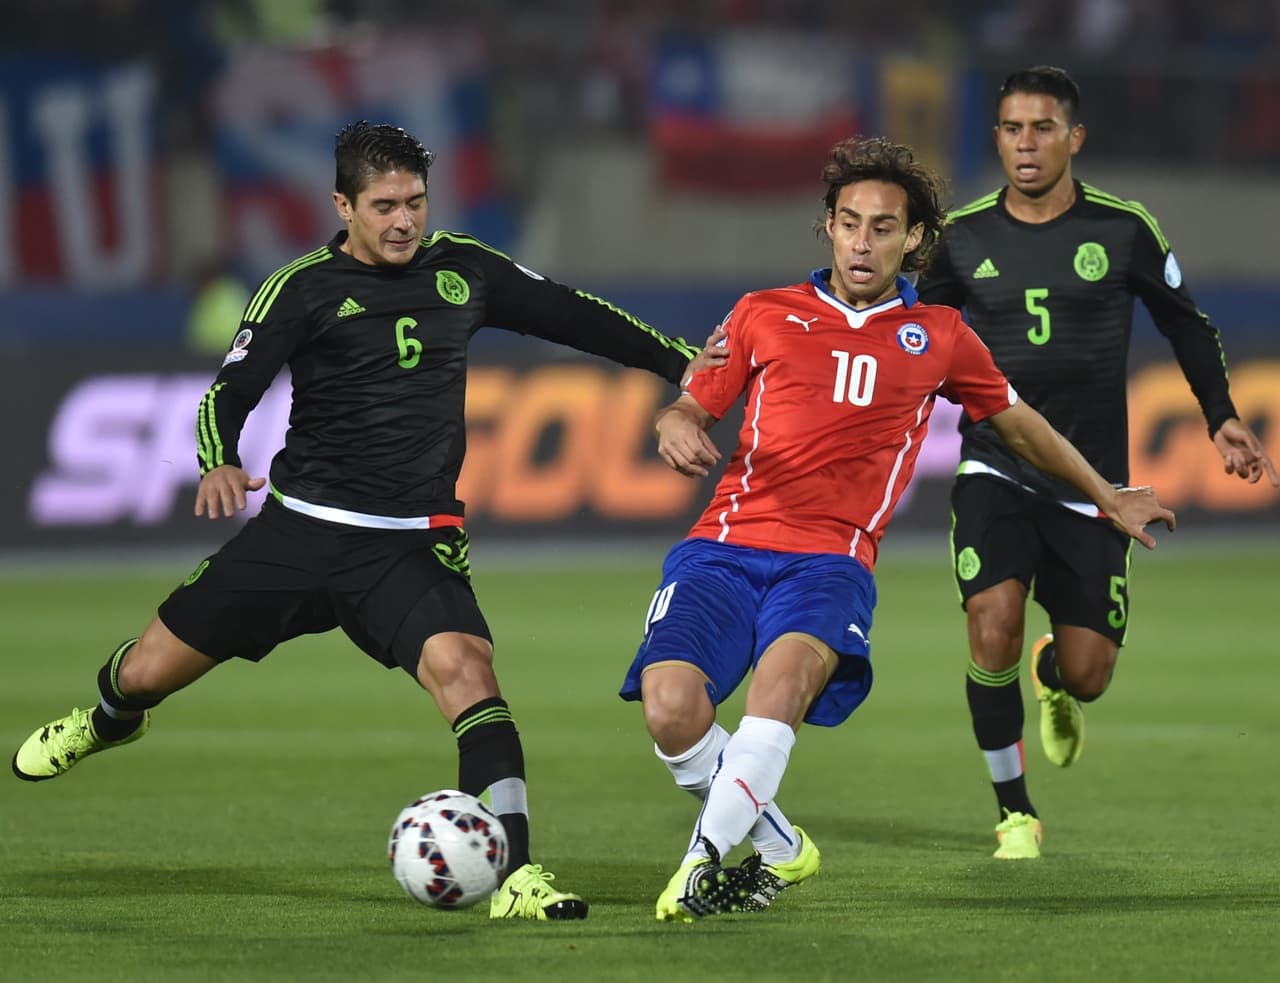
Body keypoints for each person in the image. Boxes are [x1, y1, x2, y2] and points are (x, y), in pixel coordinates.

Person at [11, 121, 725, 922]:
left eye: (415, 202)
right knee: (144, 671)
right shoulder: (301, 288)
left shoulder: (464, 268)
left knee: (470, 675)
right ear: (343, 205)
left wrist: (680, 362)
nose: (404, 221)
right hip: (298, 534)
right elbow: (227, 394)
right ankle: (107, 721)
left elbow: (573, 315)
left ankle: (517, 874)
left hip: (409, 544)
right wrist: (217, 460)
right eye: (385, 205)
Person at [618, 134, 1176, 922]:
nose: (862, 242)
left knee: (780, 689)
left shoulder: (940, 335)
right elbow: (689, 404)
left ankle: (699, 865)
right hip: (722, 548)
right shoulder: (760, 314)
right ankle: (781, 844)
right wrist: (673, 422)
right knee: (671, 708)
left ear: (913, 238)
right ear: (828, 226)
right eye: (849, 223)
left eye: (883, 227)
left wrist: (1106, 493)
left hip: (829, 563)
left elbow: (1018, 423)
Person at [914, 65, 1277, 860]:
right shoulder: (960, 238)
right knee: (991, 621)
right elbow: (913, 344)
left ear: (1074, 137)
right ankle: (1014, 811)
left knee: (1090, 674)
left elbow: (1185, 322)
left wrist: (1221, 416)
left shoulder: (1123, 228)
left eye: (1043, 128)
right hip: (995, 465)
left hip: (1095, 486)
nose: (1026, 144)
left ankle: (1055, 675)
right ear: (996, 138)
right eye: (1012, 129)